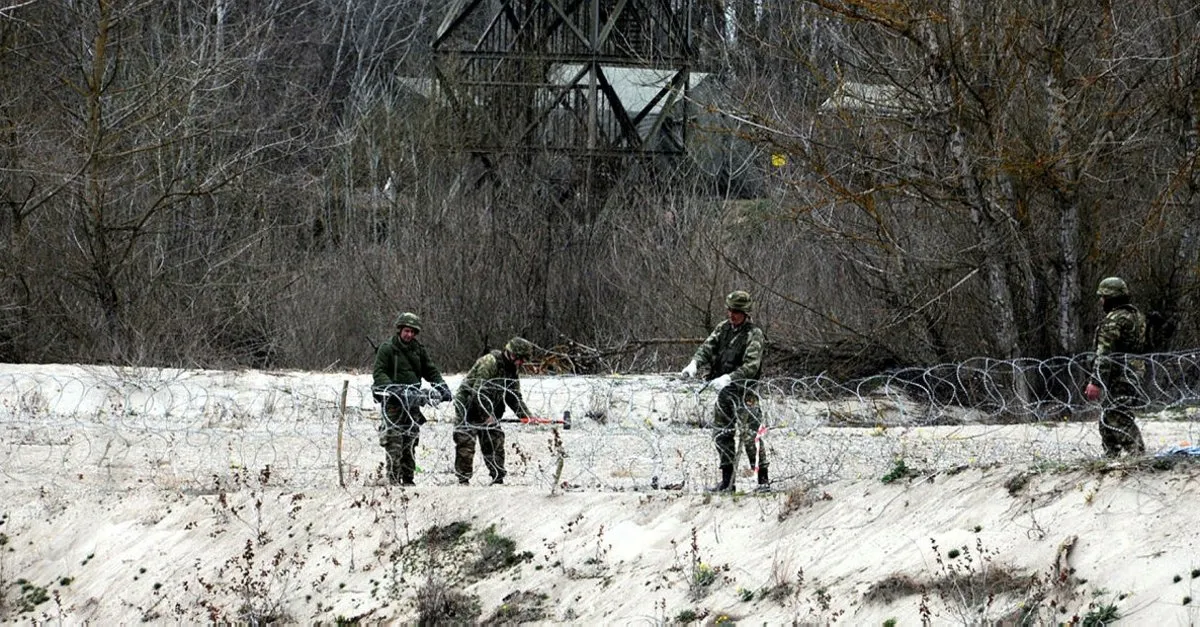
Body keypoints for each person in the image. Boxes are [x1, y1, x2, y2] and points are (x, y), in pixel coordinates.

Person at [680, 290, 768, 492]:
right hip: (724, 392)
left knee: (750, 437)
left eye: (736, 311)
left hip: (744, 392)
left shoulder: (753, 334)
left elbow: (751, 365)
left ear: (745, 313)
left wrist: (729, 378)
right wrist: (694, 363)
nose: (732, 315)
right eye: (730, 310)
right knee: (722, 434)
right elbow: (707, 347)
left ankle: (763, 481)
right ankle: (727, 481)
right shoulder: (724, 328)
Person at [372, 312, 452, 486]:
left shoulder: (418, 350)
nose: (409, 335)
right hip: (393, 403)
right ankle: (393, 480)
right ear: (400, 330)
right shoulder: (387, 349)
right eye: (407, 331)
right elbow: (379, 373)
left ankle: (409, 479)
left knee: (410, 441)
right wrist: (394, 389)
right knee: (394, 442)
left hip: (413, 402)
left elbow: (430, 370)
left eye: (413, 332)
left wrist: (441, 386)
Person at [451, 337, 537, 485]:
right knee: (466, 444)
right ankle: (463, 480)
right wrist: (487, 416)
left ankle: (498, 478)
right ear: (511, 353)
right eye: (520, 358)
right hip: (468, 406)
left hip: (490, 407)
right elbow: (478, 392)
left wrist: (526, 416)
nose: (521, 363)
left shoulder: (512, 369)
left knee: (495, 441)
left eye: (524, 359)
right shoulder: (489, 362)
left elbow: (513, 396)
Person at [1084, 277, 1148, 457]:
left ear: (1111, 298)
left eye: (1103, 297)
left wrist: (1095, 381)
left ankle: (1138, 453)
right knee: (1108, 416)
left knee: (1117, 414)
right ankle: (1111, 454)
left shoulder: (1113, 320)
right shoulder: (1137, 316)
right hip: (1135, 370)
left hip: (1120, 373)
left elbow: (1104, 354)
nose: (1101, 301)